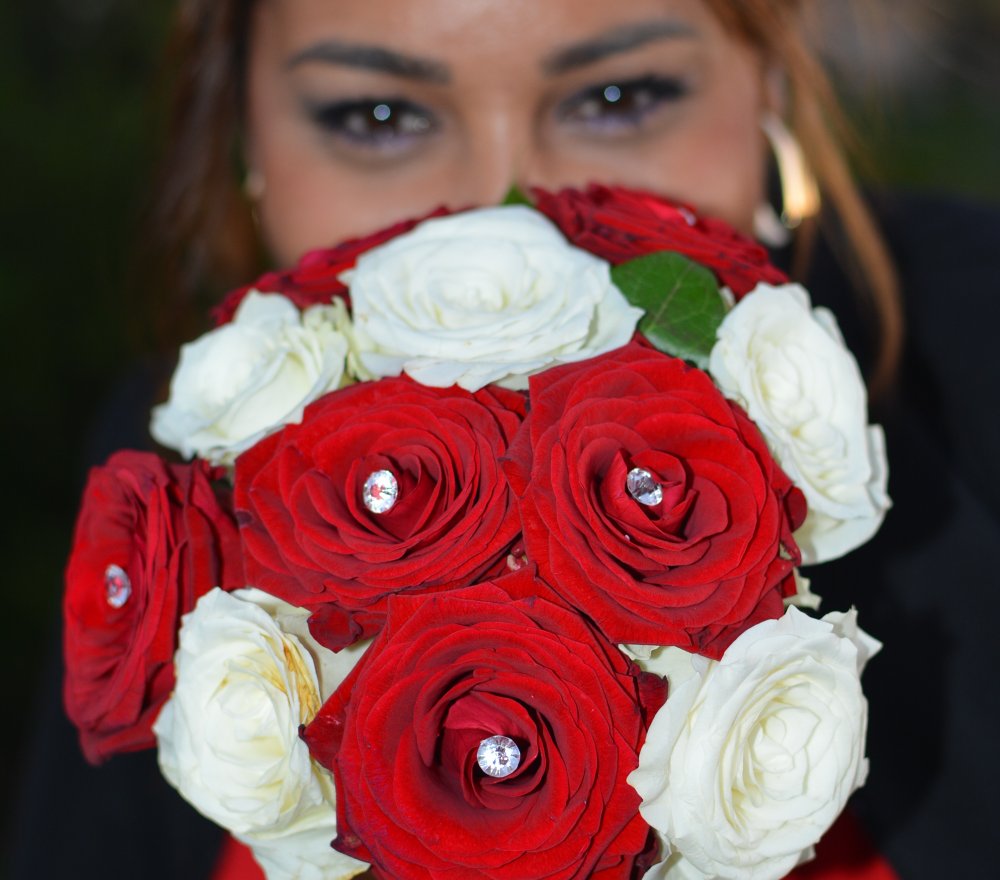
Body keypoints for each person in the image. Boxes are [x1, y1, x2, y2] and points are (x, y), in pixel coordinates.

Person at [9, 1, 999, 878]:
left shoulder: (972, 344)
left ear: (768, 88)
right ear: (245, 141)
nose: (507, 210)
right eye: (379, 116)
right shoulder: (170, 480)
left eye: (619, 97)